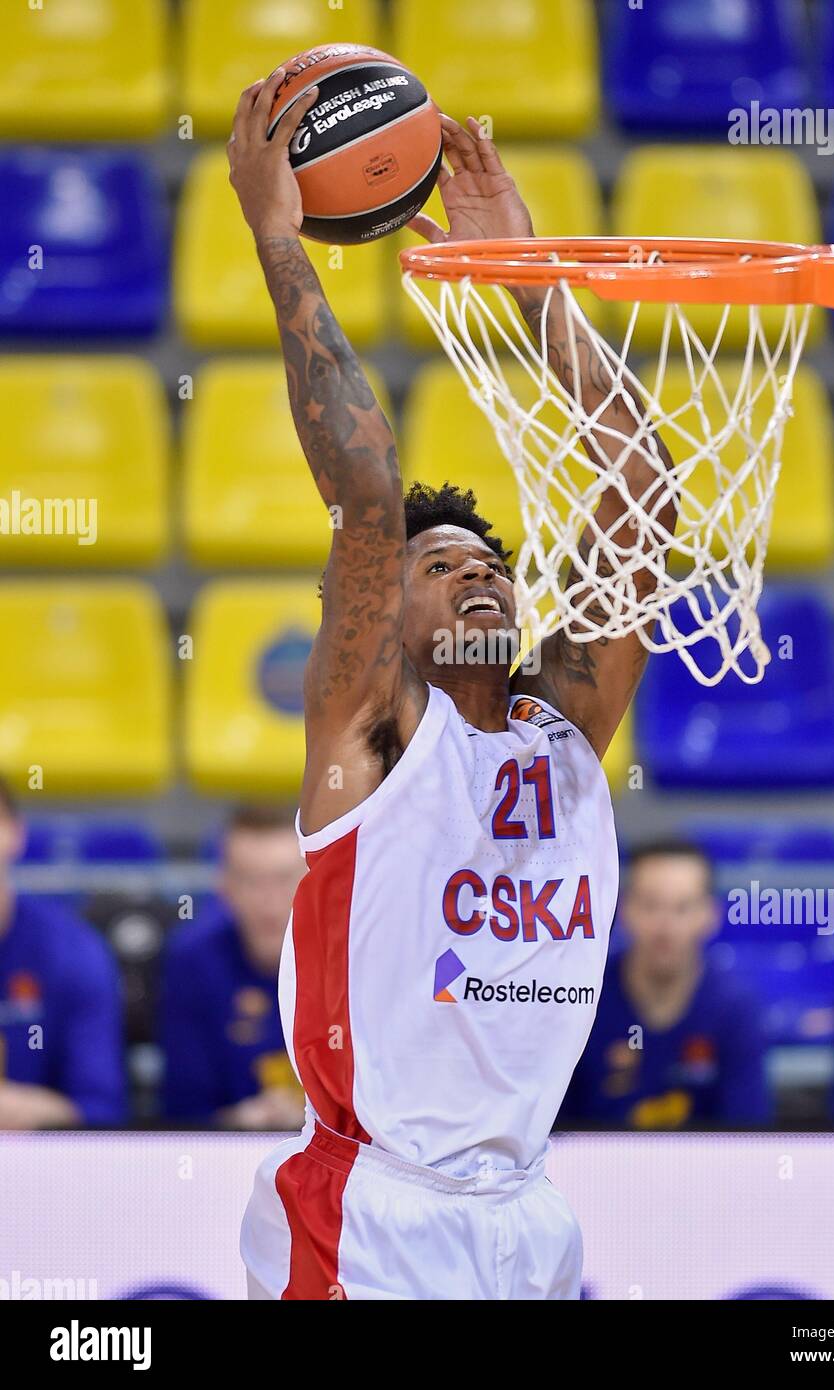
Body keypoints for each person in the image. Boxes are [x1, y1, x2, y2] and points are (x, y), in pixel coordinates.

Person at [229, 71, 676, 1301]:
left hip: (531, 1210)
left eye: (489, 563)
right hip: (371, 1210)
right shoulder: (368, 737)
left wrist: (535, 290)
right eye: (439, 568)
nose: (476, 576)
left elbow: (643, 495)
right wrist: (278, 238)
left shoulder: (561, 732)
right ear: (388, 618)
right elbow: (367, 496)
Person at [562, 842, 770, 1128]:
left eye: (682, 908)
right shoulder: (584, 1000)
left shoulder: (735, 1009)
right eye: (651, 906)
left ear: (710, 915)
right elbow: (556, 1135)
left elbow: (749, 1138)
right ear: (624, 909)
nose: (665, 926)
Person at [160, 805, 306, 1128]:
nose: (268, 900)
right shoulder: (193, 964)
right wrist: (240, 1122)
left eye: (283, 879)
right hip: (226, 1157)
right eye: (251, 881)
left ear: (312, 880)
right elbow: (181, 1111)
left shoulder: (350, 960)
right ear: (224, 886)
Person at [0, 779, 126, 1128]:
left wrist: (27, 1111)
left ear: (15, 834)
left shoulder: (73, 952)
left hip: (44, 1168)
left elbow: (103, 1108)